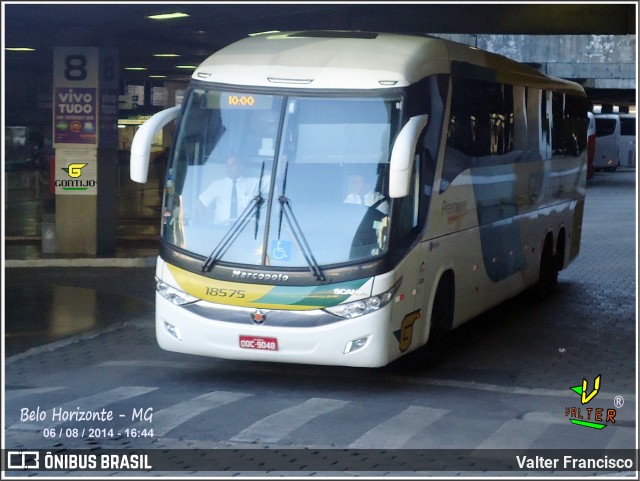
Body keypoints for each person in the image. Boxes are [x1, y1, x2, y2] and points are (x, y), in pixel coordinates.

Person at [198, 155, 260, 224]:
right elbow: (200, 203)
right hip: (219, 231)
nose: (229, 168)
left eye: (233, 165)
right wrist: (205, 225)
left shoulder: (252, 183)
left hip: (244, 230)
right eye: (227, 165)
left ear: (241, 167)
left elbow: (271, 182)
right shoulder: (217, 185)